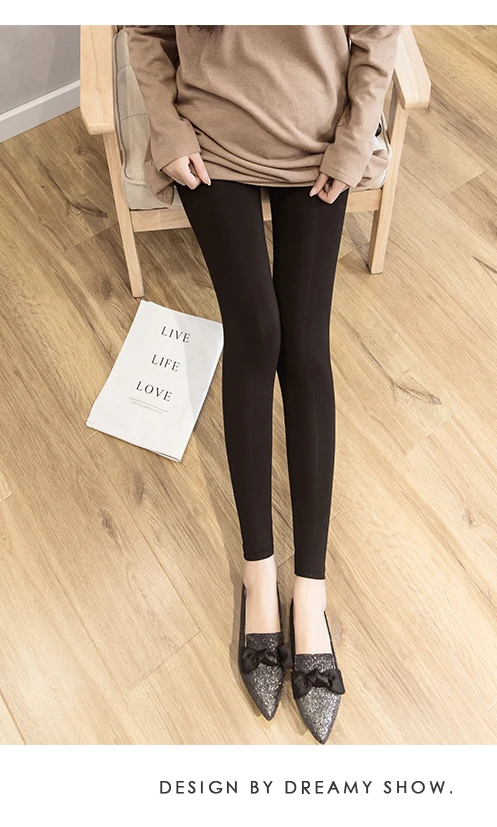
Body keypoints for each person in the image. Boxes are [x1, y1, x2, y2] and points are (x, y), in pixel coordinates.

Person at [125, 24, 401, 743]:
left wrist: (353, 140)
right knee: (256, 335)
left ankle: (310, 592)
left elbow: (379, 31)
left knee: (305, 345)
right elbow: (145, 29)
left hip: (318, 138)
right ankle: (258, 576)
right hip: (210, 141)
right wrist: (167, 128)